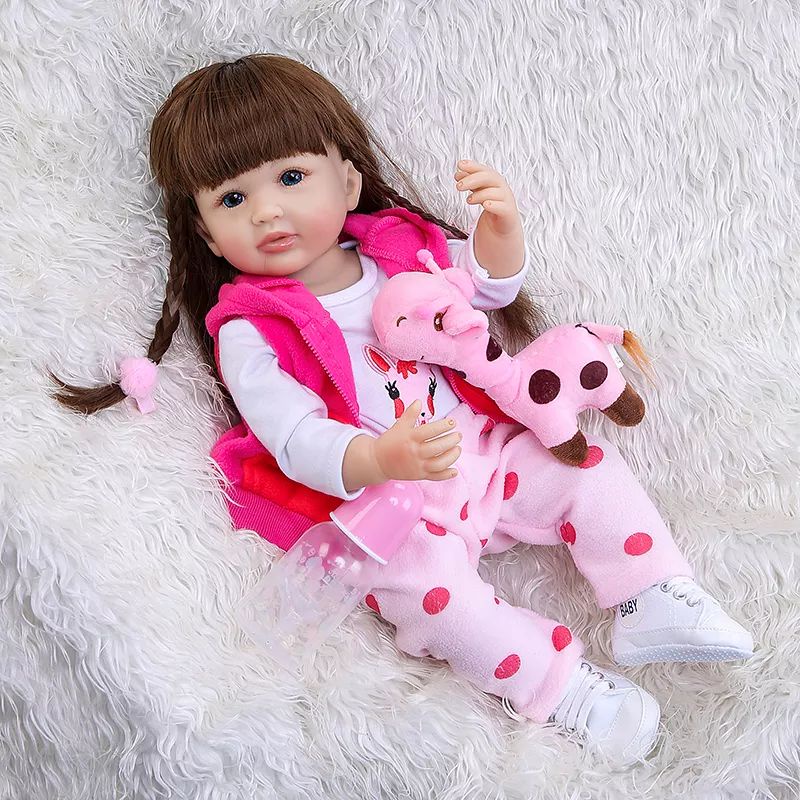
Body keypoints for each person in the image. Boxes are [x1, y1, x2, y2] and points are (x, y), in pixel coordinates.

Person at [49, 53, 754, 767]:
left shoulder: (398, 249)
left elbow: (484, 288)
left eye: (290, 179)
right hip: (393, 511)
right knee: (429, 595)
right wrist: (378, 458)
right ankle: (562, 689)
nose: (266, 211)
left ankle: (653, 594)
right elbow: (292, 436)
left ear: (349, 181)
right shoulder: (250, 329)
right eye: (232, 199)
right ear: (205, 233)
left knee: (583, 465)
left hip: (487, 454)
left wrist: (500, 227)